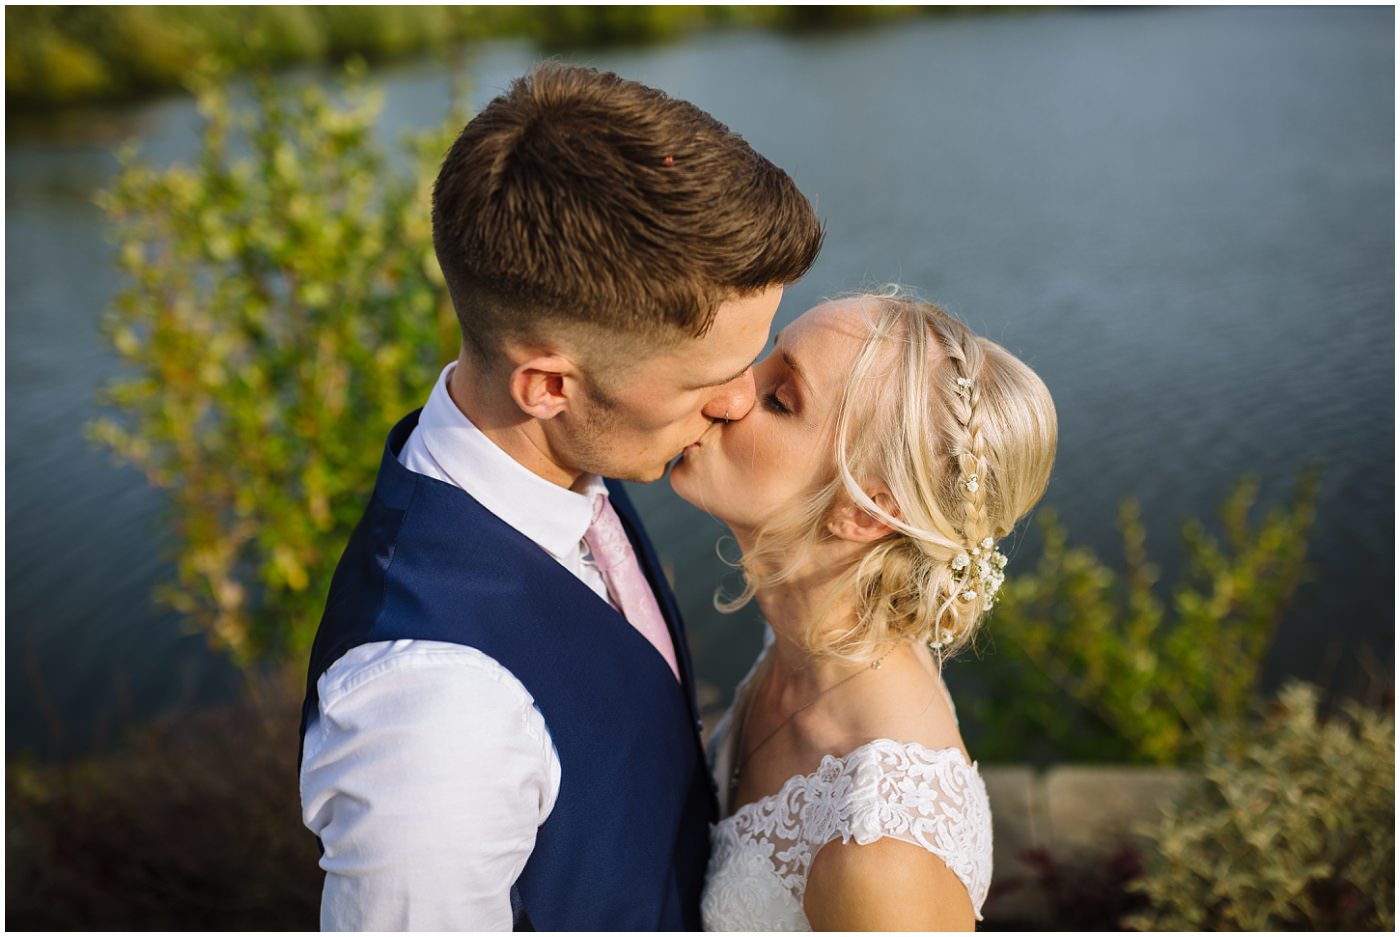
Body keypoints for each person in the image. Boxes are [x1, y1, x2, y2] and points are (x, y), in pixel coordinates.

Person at [298, 63, 823, 931]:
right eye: (709, 376)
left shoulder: (575, 459)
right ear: (547, 385)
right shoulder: (432, 714)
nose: (737, 400)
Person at [670, 289, 1057, 930]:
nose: (730, 389)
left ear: (867, 511)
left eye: (779, 399)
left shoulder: (880, 857)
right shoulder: (808, 646)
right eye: (765, 357)